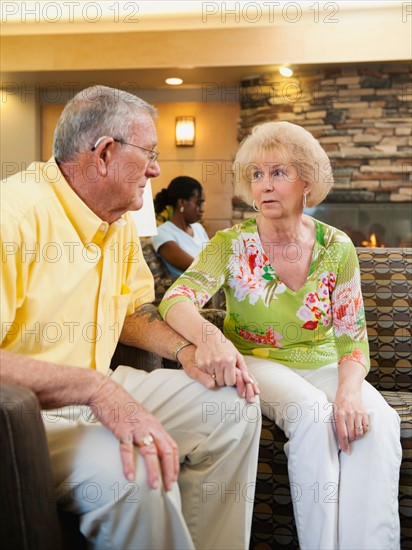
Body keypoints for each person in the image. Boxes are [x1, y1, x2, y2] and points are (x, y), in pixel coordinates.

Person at [0, 85, 261, 550]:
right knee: (134, 468)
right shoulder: (13, 216)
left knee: (233, 406)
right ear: (103, 154)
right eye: (150, 154)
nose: (157, 170)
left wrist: (186, 350)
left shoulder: (115, 221)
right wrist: (93, 389)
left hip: (97, 387)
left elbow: (131, 313)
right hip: (28, 415)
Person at [159, 121, 402, 550]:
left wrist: (349, 392)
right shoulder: (231, 244)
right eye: (256, 175)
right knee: (311, 415)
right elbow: (176, 299)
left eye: (278, 173)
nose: (265, 186)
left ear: (307, 181)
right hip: (259, 360)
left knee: (379, 421)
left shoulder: (337, 246)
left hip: (324, 361)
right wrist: (210, 339)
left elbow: (352, 338)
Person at [152, 176, 209, 277]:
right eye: (198, 203)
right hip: (189, 289)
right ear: (182, 203)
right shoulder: (162, 233)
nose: (202, 209)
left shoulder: (198, 228)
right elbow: (195, 267)